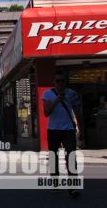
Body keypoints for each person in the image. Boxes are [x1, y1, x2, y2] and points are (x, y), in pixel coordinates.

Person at [42, 69, 83, 198]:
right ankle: (55, 181)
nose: (60, 83)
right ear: (54, 82)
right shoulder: (48, 94)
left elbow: (77, 111)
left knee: (71, 157)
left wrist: (81, 128)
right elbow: (46, 112)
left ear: (65, 82)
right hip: (53, 130)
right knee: (53, 156)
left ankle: (73, 187)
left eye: (62, 81)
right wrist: (57, 100)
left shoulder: (72, 93)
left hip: (68, 129)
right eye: (57, 81)